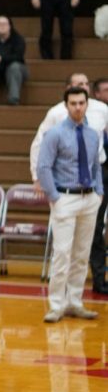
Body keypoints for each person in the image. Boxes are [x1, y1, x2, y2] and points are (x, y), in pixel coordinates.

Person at [36, 86, 102, 323]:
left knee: (82, 254)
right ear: (66, 106)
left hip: (89, 198)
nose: (77, 107)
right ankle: (56, 305)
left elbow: (96, 165)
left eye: (81, 103)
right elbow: (43, 166)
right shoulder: (54, 133)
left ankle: (75, 301)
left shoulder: (93, 134)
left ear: (87, 104)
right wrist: (55, 196)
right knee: (62, 254)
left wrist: (99, 192)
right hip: (65, 197)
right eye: (73, 103)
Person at [90, 78, 108, 295]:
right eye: (105, 90)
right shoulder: (92, 118)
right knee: (96, 228)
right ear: (96, 94)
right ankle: (99, 278)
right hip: (101, 174)